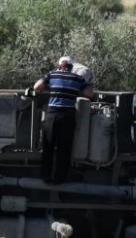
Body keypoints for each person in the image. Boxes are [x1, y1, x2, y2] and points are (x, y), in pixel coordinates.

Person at [32, 56, 94, 184]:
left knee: (48, 148)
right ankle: (59, 179)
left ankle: (45, 176)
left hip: (52, 116)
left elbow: (37, 86)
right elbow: (89, 94)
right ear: (72, 67)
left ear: (59, 66)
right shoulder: (78, 78)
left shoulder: (52, 75)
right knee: (64, 150)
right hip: (67, 117)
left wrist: (50, 86)